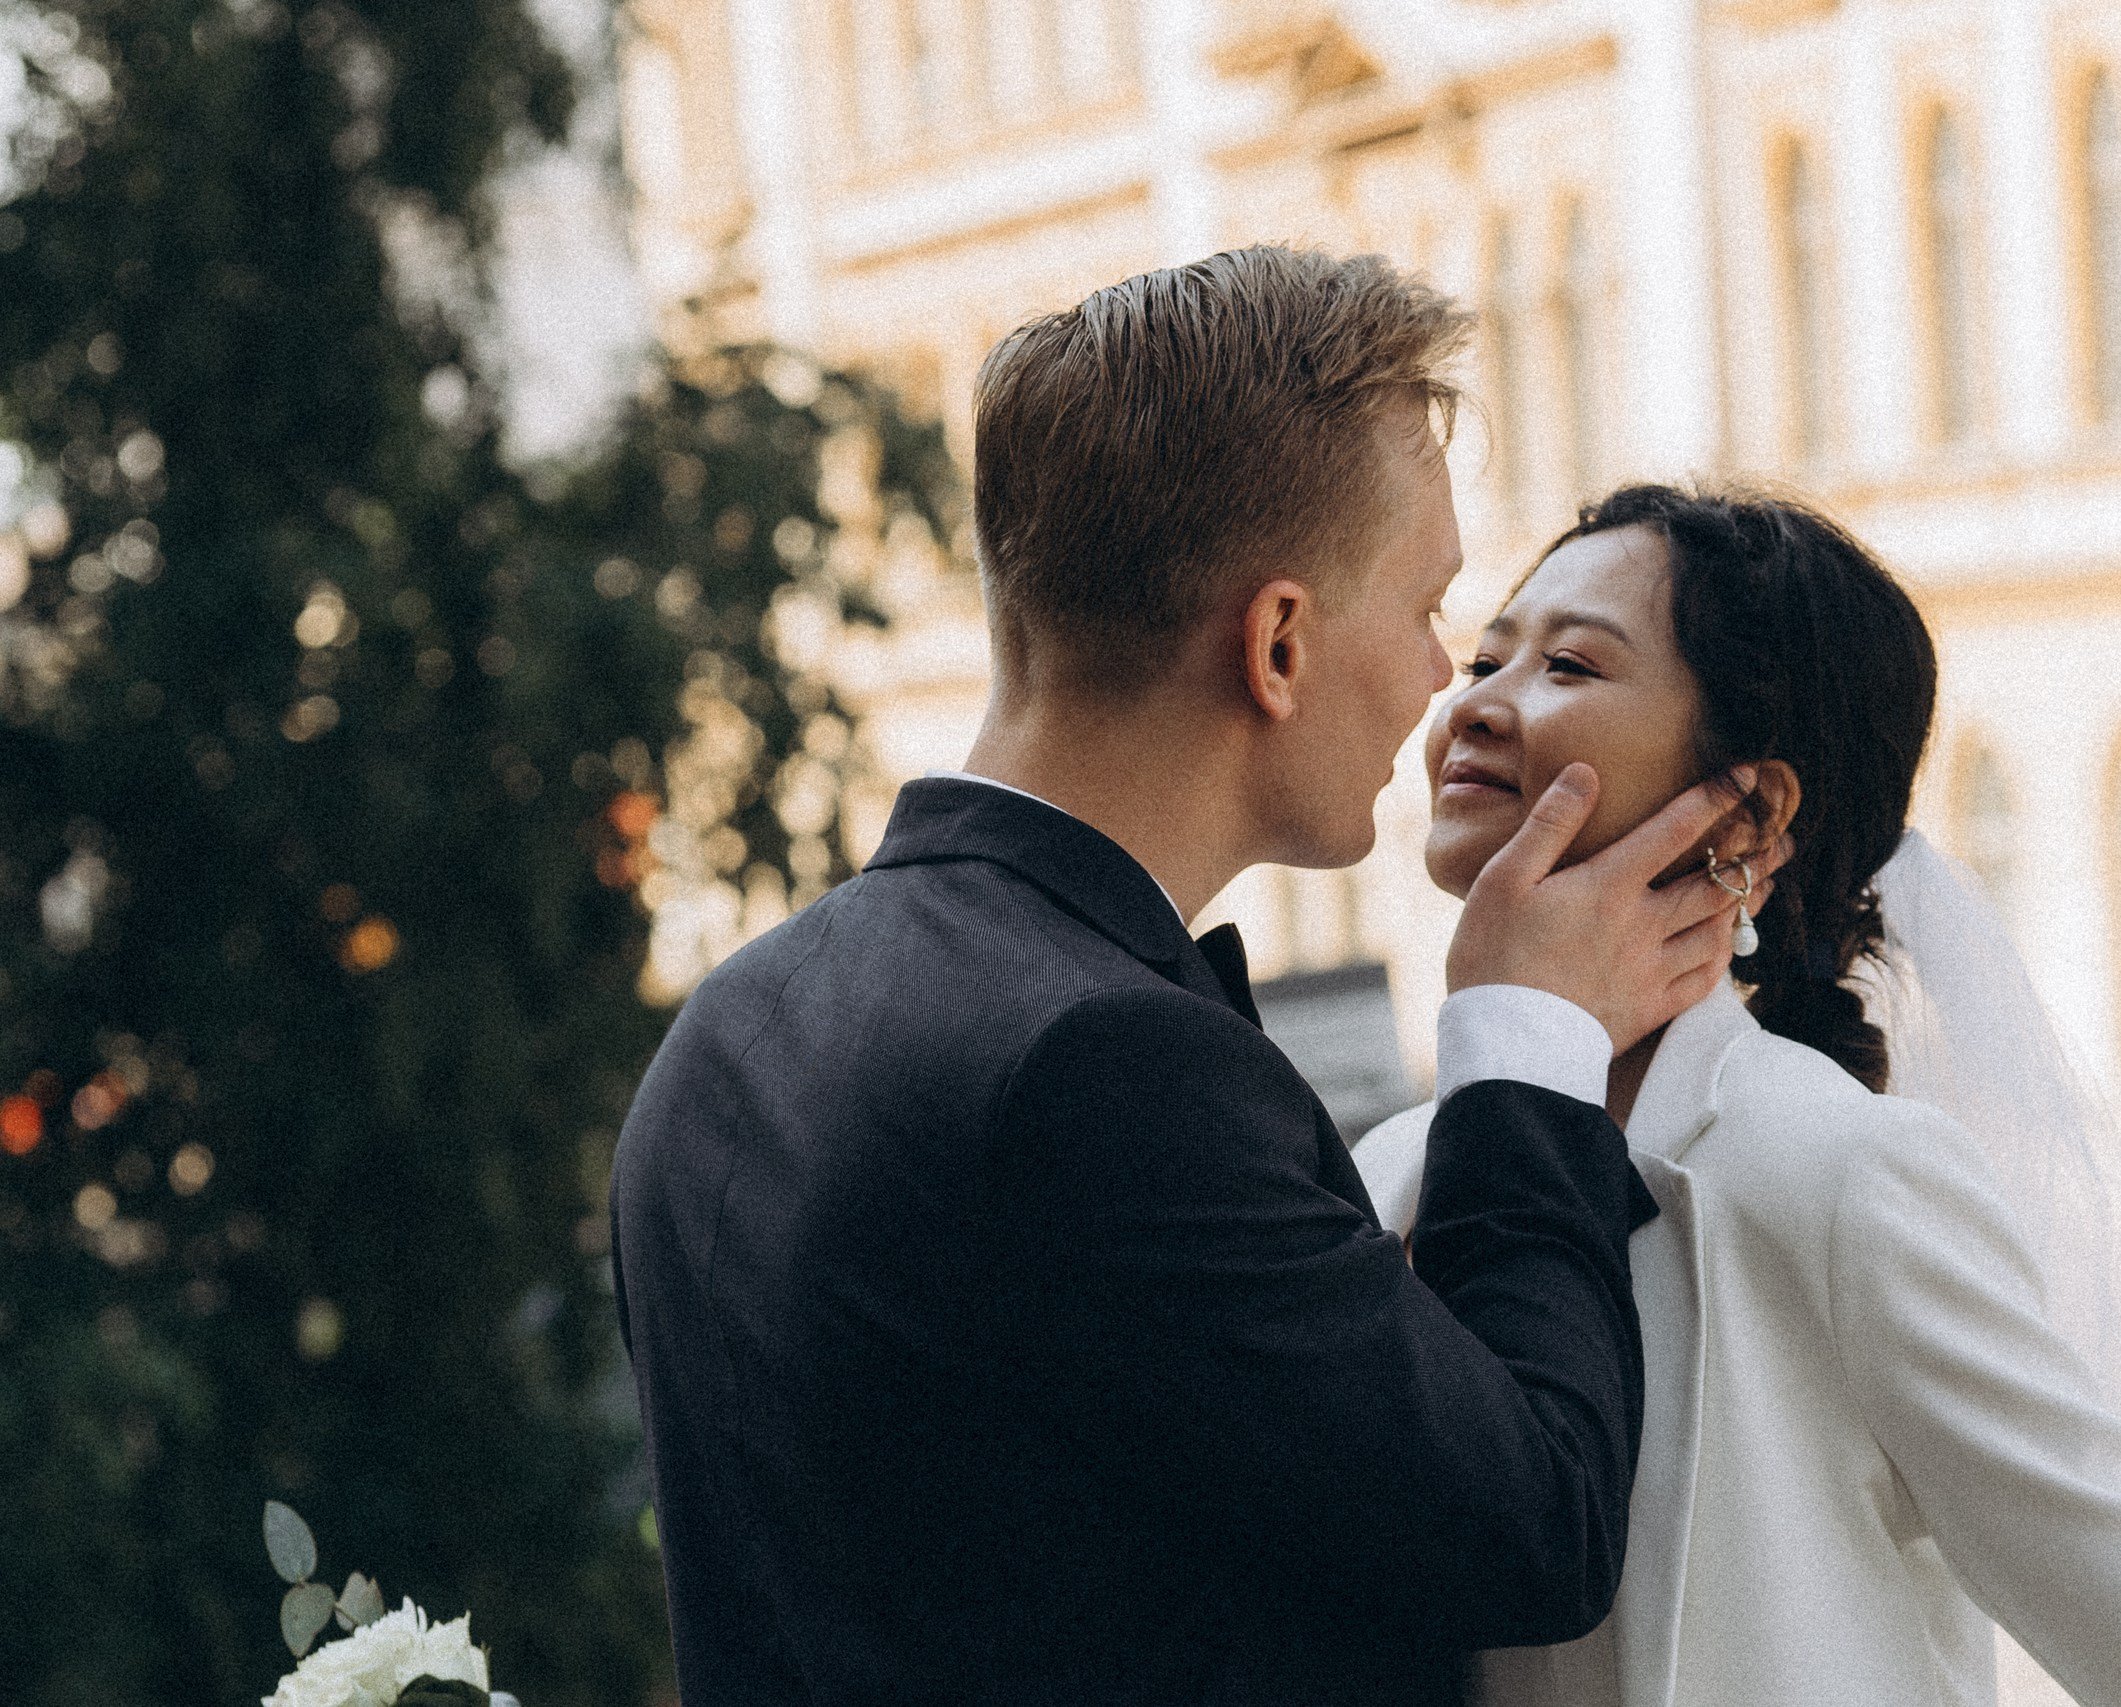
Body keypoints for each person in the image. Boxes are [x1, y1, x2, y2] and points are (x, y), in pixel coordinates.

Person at [610, 250, 1749, 1706]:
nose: (1439, 681)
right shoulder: (1110, 1069)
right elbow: (1535, 1521)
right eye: (1424, 608)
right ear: (1277, 642)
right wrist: (1532, 1037)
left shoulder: (734, 1020)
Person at [1357, 485, 2121, 1707]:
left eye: (1568, 663)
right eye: (1485, 653)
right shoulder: (1394, 1167)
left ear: (1751, 812)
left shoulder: (1836, 1177)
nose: (1472, 703)